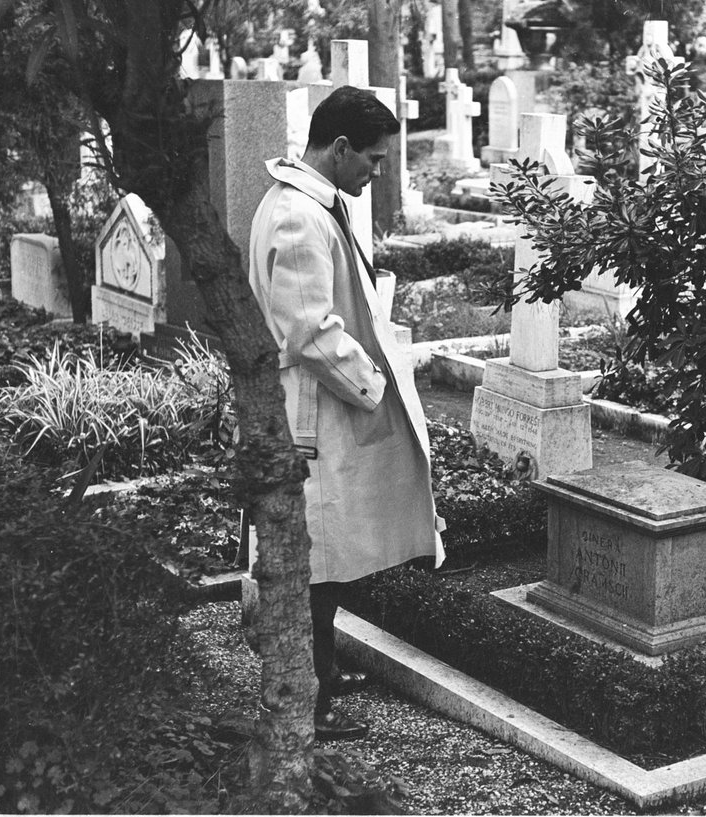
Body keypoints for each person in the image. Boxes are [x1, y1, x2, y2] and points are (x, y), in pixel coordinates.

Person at [248, 86, 445, 741]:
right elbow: (307, 330)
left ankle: (322, 674)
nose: (378, 171)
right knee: (314, 563)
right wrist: (374, 384)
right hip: (312, 415)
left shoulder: (305, 203)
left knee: (324, 561)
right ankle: (308, 700)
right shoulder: (301, 217)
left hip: (313, 409)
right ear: (338, 149)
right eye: (373, 158)